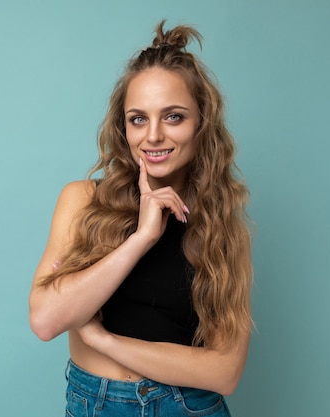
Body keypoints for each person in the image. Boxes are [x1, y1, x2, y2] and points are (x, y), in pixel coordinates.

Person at [29, 20, 252, 417]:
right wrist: (142, 238)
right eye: (138, 118)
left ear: (201, 124)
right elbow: (46, 319)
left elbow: (225, 372)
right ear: (123, 127)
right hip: (96, 404)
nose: (152, 136)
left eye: (174, 117)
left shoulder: (220, 226)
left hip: (187, 407)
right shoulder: (83, 200)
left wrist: (103, 340)